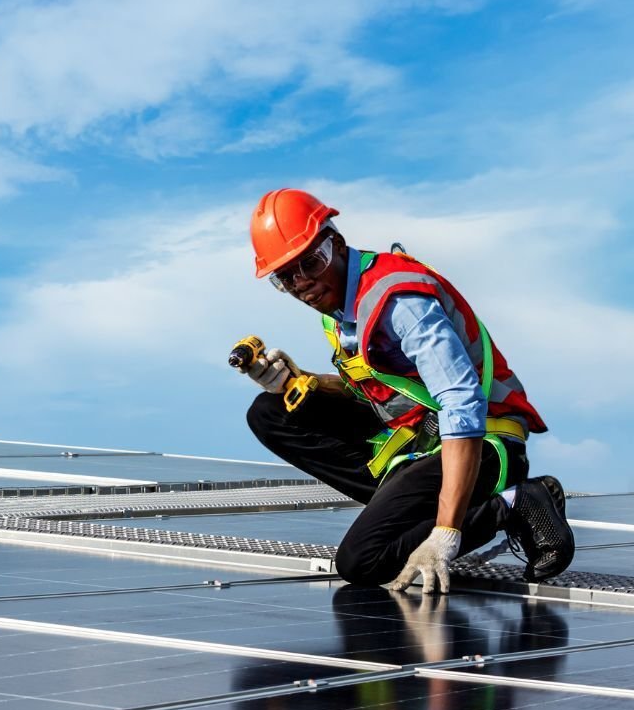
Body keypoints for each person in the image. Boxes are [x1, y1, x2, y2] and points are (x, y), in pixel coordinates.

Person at [237, 188, 574, 591]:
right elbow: (379, 393)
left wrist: (447, 533)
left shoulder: (398, 300)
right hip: (417, 439)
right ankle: (404, 510)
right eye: (286, 277)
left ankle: (515, 504)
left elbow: (460, 402)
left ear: (337, 245)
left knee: (362, 561)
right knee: (270, 411)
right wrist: (295, 382)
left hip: (484, 443)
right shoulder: (340, 309)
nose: (302, 283)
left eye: (312, 262)